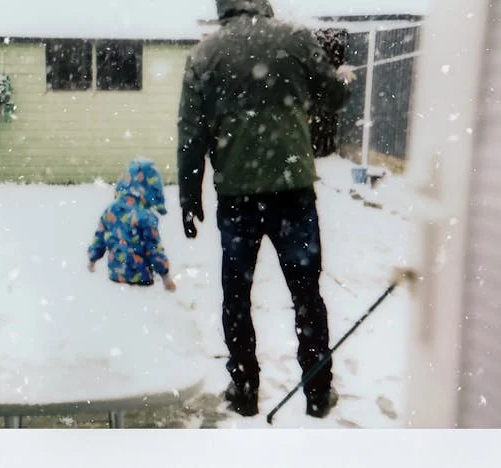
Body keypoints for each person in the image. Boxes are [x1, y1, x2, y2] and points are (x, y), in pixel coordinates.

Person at [176, 0, 354, 417]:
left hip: (238, 195)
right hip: (292, 190)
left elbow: (190, 133)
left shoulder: (205, 55)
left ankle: (244, 389)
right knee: (307, 295)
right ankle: (316, 391)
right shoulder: (294, 39)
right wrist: (343, 80)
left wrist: (189, 195)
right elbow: (333, 97)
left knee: (236, 296)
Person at [88, 159, 177, 292]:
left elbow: (100, 237)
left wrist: (93, 258)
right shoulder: (145, 216)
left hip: (115, 276)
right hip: (141, 278)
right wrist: (165, 275)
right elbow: (154, 249)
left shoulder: (111, 210)